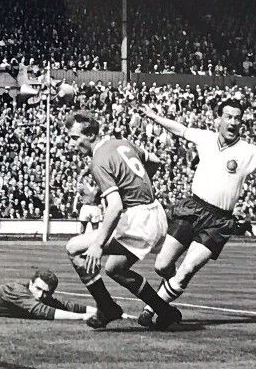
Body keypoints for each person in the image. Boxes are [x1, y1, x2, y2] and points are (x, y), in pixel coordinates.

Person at [138, 97, 256, 325]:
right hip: (192, 209)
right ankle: (167, 306)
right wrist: (156, 118)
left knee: (186, 270)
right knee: (162, 265)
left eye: (237, 118)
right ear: (219, 120)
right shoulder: (205, 138)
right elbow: (181, 130)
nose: (233, 122)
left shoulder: (248, 151)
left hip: (219, 221)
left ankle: (150, 309)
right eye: (229, 117)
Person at [63, 110, 176, 330]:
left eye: (75, 138)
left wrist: (97, 245)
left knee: (74, 249)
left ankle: (107, 307)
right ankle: (165, 311)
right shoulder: (121, 142)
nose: (72, 144)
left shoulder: (99, 160)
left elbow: (115, 208)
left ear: (91, 135)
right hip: (154, 213)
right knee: (115, 269)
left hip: (137, 220)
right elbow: (154, 161)